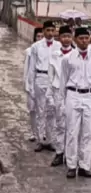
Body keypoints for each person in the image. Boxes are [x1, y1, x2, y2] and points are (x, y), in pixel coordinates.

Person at [60, 26, 91, 179]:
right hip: (73, 94)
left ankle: (85, 165)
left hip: (90, 95)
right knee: (72, 132)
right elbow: (63, 82)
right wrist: (63, 103)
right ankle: (72, 165)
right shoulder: (67, 58)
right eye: (81, 38)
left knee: (88, 133)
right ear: (75, 40)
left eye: (86, 38)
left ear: (90, 39)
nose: (84, 41)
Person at [27, 20, 60, 152]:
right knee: (40, 110)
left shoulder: (58, 45)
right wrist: (30, 86)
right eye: (48, 30)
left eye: (52, 30)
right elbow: (32, 67)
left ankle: (50, 140)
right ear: (43, 31)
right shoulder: (36, 46)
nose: (50, 33)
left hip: (54, 80)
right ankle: (40, 140)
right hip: (40, 78)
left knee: (52, 111)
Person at [48, 25, 74, 167]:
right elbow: (50, 76)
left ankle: (71, 154)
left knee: (72, 125)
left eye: (69, 36)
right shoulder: (54, 55)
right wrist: (50, 96)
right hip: (58, 91)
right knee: (60, 124)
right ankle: (59, 152)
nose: (66, 39)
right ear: (59, 38)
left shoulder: (75, 54)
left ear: (72, 38)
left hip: (72, 92)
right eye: (64, 36)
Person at [23, 27, 43, 143]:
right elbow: (26, 69)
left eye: (41, 36)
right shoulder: (29, 51)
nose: (40, 38)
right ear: (34, 37)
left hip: (42, 83)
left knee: (43, 109)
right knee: (32, 109)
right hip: (32, 83)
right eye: (38, 36)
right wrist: (27, 84)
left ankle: (42, 132)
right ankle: (33, 132)